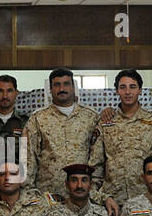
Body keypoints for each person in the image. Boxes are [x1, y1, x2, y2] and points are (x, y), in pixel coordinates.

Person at [89, 69, 152, 214]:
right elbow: (95, 167)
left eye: (132, 87)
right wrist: (102, 198)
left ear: (140, 90)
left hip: (148, 202)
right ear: (117, 90)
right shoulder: (106, 122)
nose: (128, 92)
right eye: (123, 87)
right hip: (113, 204)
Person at [22, 68, 100, 196]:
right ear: (50, 89)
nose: (62, 88)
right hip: (48, 195)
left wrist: (95, 188)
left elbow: (97, 157)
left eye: (66, 84)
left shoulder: (91, 117)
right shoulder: (38, 118)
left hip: (82, 195)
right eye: (57, 85)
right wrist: (29, 193)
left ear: (73, 87)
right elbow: (28, 158)